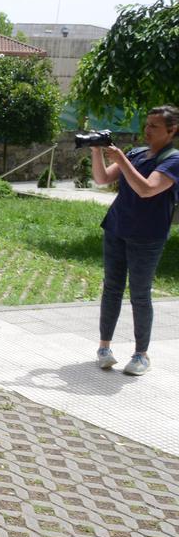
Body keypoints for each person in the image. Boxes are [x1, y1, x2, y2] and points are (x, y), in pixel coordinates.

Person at [90, 105, 179, 376]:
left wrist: (120, 157)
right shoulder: (137, 152)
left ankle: (141, 355)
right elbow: (102, 178)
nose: (147, 130)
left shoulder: (173, 160)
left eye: (154, 126)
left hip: (147, 235)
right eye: (147, 124)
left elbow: (147, 189)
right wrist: (96, 149)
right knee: (111, 289)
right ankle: (104, 348)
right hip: (117, 227)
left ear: (172, 130)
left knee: (140, 294)